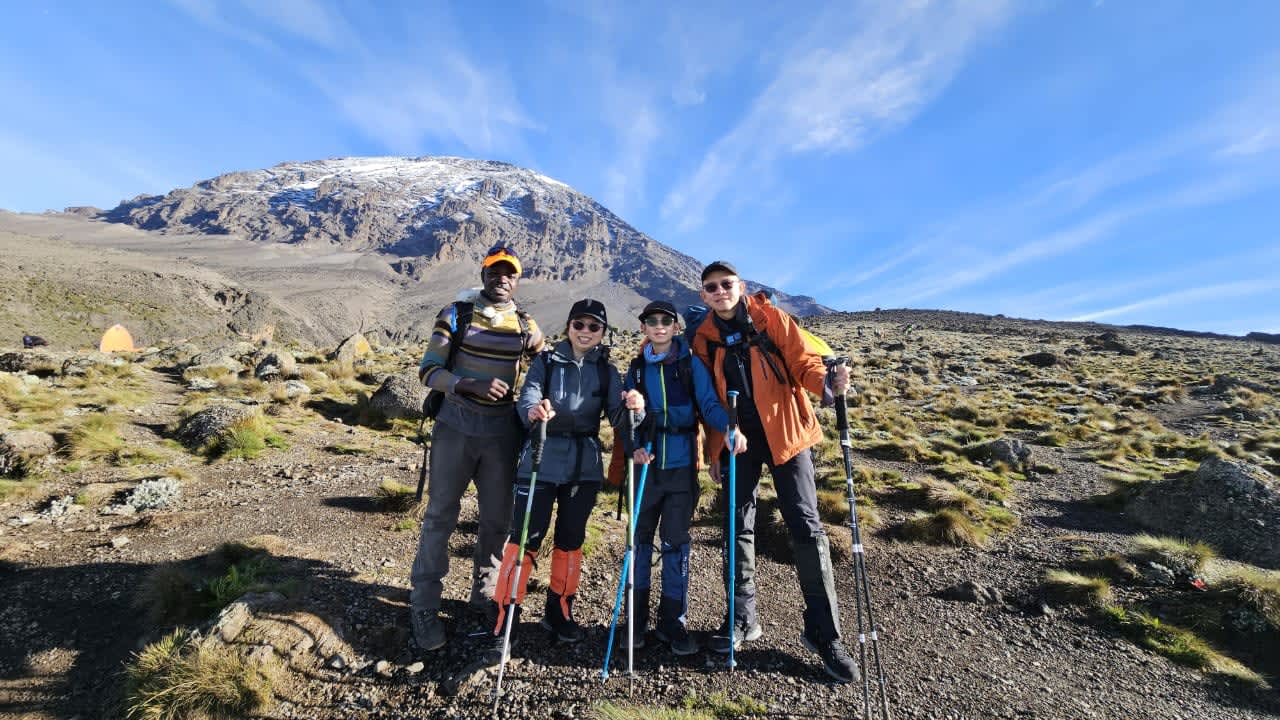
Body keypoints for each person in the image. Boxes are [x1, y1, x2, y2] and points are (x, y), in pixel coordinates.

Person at [688, 260, 858, 683]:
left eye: (726, 284)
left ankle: (823, 632)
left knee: (806, 525)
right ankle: (742, 618)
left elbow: (804, 362)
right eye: (712, 287)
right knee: (735, 524)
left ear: (740, 286)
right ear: (703, 295)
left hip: (787, 436)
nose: (720, 291)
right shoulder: (704, 338)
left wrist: (827, 384)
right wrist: (712, 451)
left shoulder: (772, 319)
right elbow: (706, 399)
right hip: (736, 441)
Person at [482, 298, 645, 662]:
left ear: (603, 333)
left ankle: (560, 610)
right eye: (579, 325)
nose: (585, 332)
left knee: (571, 541)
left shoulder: (607, 371)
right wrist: (534, 410)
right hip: (540, 458)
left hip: (583, 468)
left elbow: (618, 418)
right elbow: (527, 399)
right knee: (525, 539)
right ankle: (505, 615)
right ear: (569, 326)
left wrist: (636, 406)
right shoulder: (545, 362)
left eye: (594, 327)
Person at [409, 244, 544, 654]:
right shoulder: (457, 313)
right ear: (483, 274)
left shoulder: (525, 324)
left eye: (509, 274)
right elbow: (428, 371)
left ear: (517, 279)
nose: (501, 279)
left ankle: (484, 594)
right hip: (456, 426)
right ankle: (424, 605)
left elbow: (546, 366)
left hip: (503, 433)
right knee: (439, 517)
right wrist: (470, 384)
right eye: (494, 271)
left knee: (496, 523)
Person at [620, 300, 745, 655]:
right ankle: (635, 621)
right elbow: (625, 418)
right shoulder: (636, 370)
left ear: (675, 327)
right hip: (646, 467)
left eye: (665, 321)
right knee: (640, 542)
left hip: (682, 467)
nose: (658, 326)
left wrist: (730, 429)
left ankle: (672, 622)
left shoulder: (691, 366)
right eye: (651, 321)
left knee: (676, 544)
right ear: (643, 327)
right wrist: (634, 447)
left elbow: (707, 405)